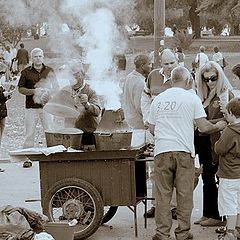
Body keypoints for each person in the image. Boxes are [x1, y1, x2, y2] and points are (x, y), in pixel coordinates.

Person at [149, 66, 227, 240]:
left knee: (163, 195)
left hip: (162, 151)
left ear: (171, 80)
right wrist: (219, 125)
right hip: (184, 151)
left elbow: (152, 128)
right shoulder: (191, 98)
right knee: (184, 195)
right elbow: (204, 127)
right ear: (188, 81)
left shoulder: (159, 99)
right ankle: (183, 233)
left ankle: (162, 234)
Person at [194, 61, 234, 227]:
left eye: (213, 78)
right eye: (206, 79)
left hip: (217, 143)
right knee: (206, 177)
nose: (210, 82)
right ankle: (208, 212)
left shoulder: (226, 95)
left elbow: (230, 120)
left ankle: (218, 215)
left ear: (220, 76)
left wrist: (209, 124)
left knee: (216, 178)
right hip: (203, 141)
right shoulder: (203, 96)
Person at [141, 48, 179, 219]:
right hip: (156, 129)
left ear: (177, 62)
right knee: (156, 170)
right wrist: (148, 118)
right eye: (166, 63)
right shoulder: (153, 76)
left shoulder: (182, 76)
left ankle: (173, 207)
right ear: (160, 63)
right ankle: (157, 205)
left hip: (175, 131)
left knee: (175, 170)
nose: (170, 66)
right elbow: (145, 97)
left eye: (172, 63)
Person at [18, 48, 57, 167]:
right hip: (31, 108)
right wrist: (34, 91)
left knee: (50, 131)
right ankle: (28, 158)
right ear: (31, 58)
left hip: (47, 107)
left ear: (43, 57)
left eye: (40, 56)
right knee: (30, 133)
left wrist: (49, 92)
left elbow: (56, 87)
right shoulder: (25, 72)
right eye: (35, 56)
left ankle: (52, 157)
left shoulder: (50, 70)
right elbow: (20, 89)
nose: (38, 58)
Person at [214, 98, 240, 240]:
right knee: (239, 203)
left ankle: (230, 233)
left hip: (229, 174)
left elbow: (219, 149)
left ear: (231, 113)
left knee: (229, 204)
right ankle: (238, 229)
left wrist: (219, 138)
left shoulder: (230, 130)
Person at [60, 59, 101, 145]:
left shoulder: (90, 91)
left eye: (77, 75)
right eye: (71, 76)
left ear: (83, 75)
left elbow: (97, 111)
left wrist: (87, 104)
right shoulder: (65, 91)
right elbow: (56, 107)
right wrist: (46, 100)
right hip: (70, 133)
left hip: (88, 133)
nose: (75, 79)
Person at [122, 54, 151, 129]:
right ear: (142, 66)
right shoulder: (140, 82)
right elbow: (140, 106)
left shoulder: (129, 76)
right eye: (149, 64)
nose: (151, 66)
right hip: (138, 122)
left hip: (128, 118)